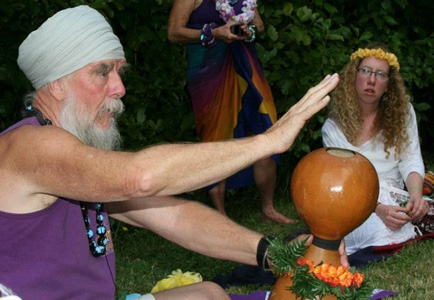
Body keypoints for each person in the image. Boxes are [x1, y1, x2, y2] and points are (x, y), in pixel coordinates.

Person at [0, 5, 345, 300]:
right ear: (56, 84)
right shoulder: (29, 146)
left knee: (208, 294)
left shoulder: (75, 160)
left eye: (120, 72)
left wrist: (278, 255)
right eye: (101, 72)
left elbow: (175, 217)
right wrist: (268, 141)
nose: (119, 88)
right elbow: (140, 178)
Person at [167, 0, 294, 224]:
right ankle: (220, 215)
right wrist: (213, 32)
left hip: (246, 67)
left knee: (266, 126)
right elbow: (174, 32)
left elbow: (260, 26)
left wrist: (246, 30)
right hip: (209, 72)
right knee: (216, 136)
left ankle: (268, 209)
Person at [322, 44, 434, 256]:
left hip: (395, 196)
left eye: (380, 74)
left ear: (389, 84)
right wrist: (379, 209)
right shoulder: (333, 127)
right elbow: (345, 183)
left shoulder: (403, 113)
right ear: (353, 76)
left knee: (410, 212)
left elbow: (410, 159)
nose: (371, 80)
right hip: (357, 202)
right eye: (365, 71)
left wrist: (416, 195)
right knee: (375, 229)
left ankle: (414, 218)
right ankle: (412, 227)